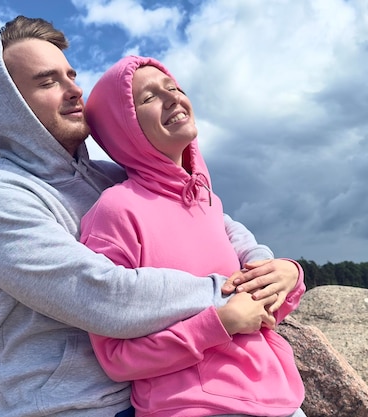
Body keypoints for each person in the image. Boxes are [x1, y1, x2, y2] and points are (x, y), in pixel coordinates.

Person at [0, 15, 300, 417]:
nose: (73, 90)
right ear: (8, 105)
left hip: (147, 392)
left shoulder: (112, 178)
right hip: (62, 406)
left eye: (71, 76)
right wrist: (228, 292)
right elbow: (101, 294)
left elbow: (210, 217)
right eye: (48, 81)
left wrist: (269, 265)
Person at [81, 56, 306, 416]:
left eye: (173, 87)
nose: (171, 97)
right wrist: (219, 324)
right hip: (192, 407)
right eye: (148, 97)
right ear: (122, 126)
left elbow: (259, 308)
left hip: (278, 397)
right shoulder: (116, 210)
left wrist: (289, 277)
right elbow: (115, 357)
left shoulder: (208, 203)